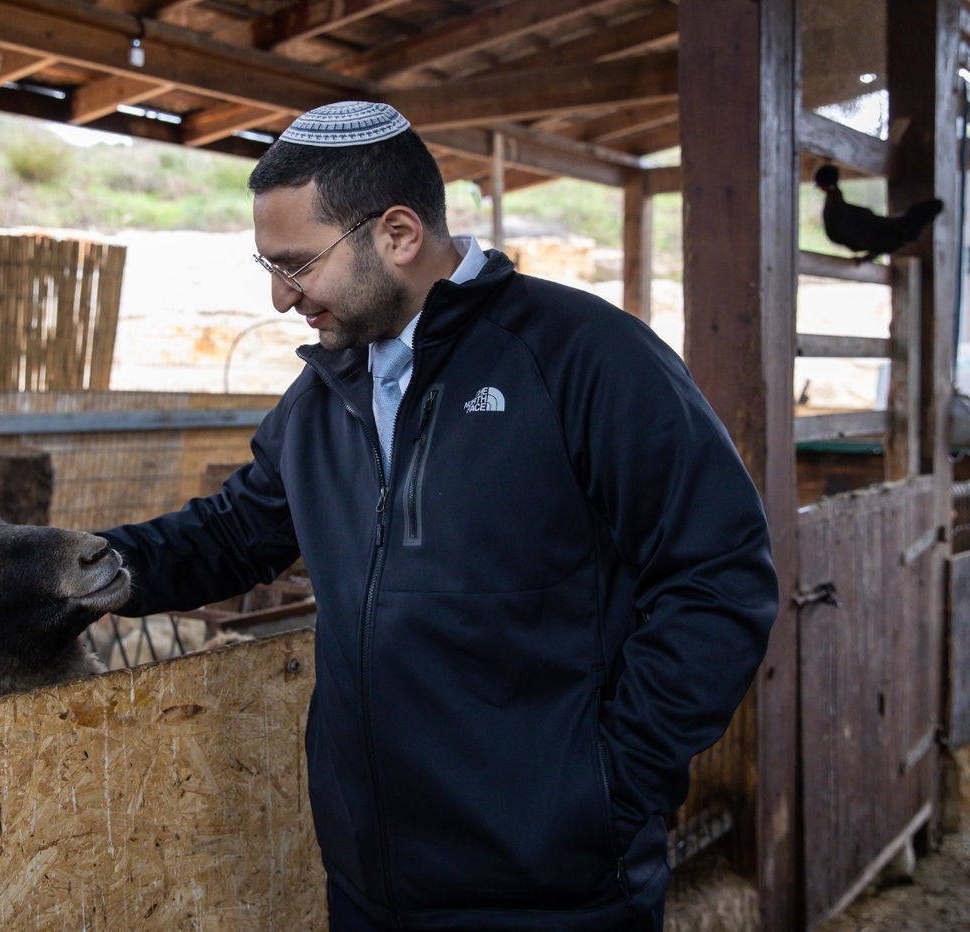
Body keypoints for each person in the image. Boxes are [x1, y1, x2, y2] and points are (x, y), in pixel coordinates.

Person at [98, 101, 778, 931]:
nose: (281, 299)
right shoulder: (325, 397)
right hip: (371, 882)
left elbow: (719, 575)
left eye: (297, 264)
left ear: (397, 234)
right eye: (267, 265)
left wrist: (607, 787)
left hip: (550, 888)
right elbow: (235, 534)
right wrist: (78, 566)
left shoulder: (585, 357)